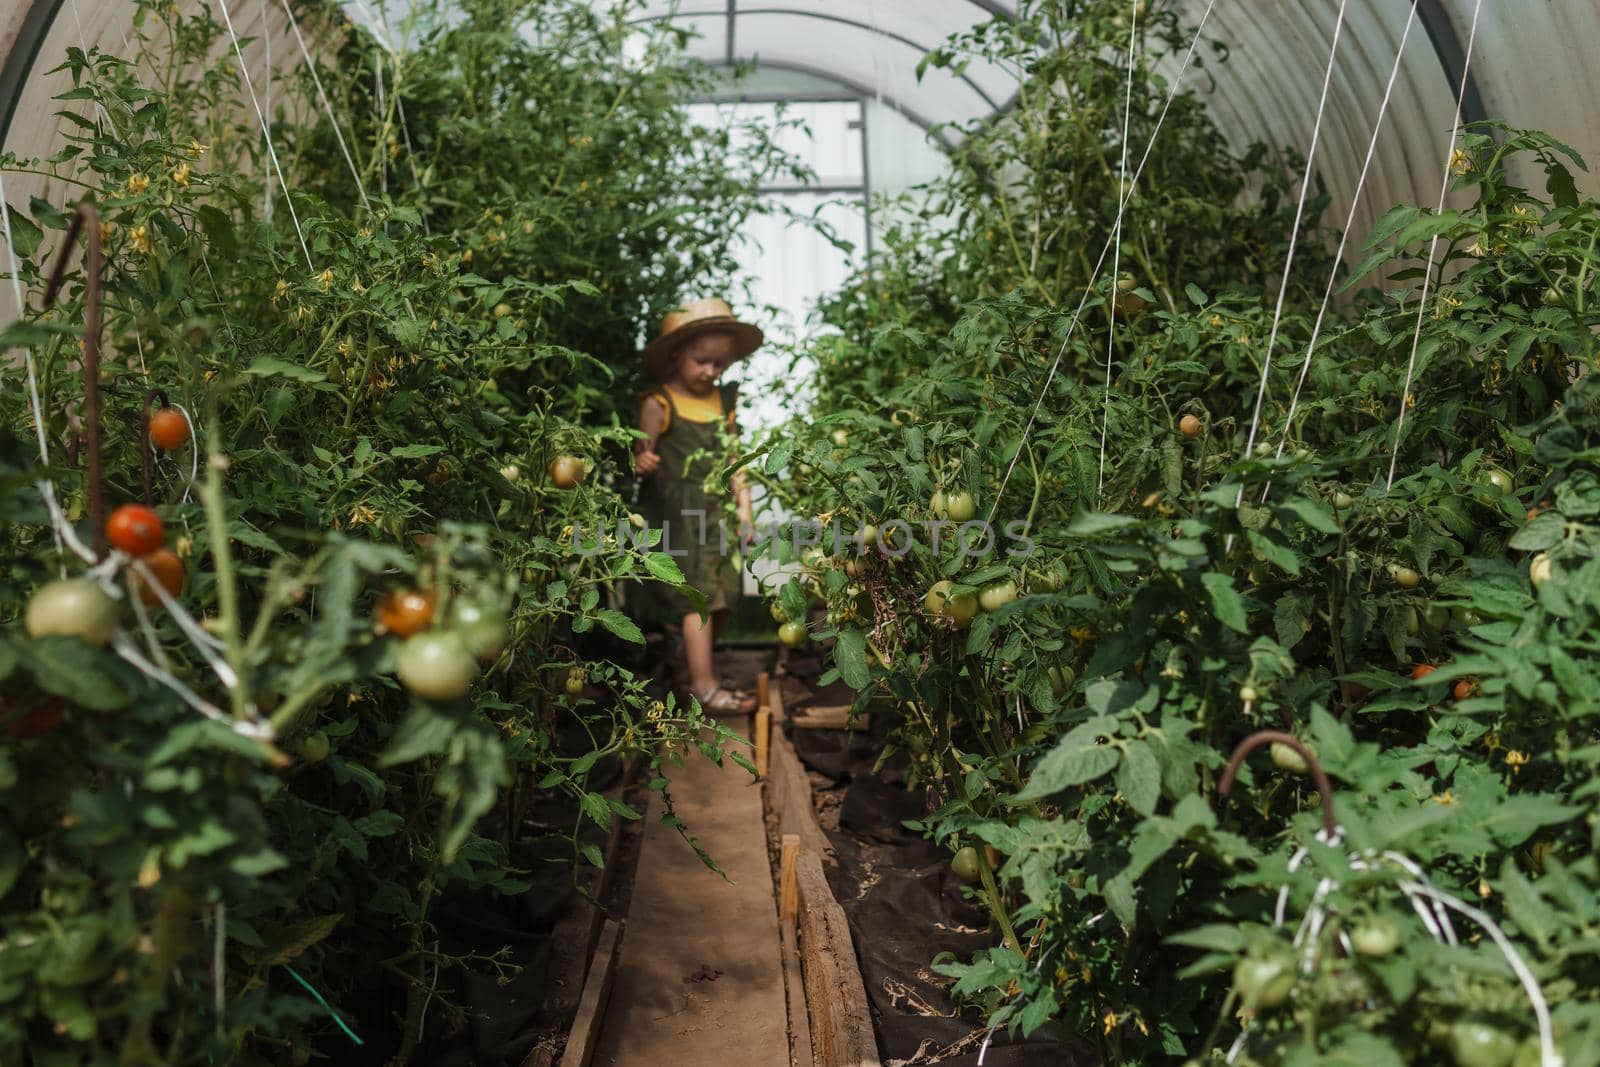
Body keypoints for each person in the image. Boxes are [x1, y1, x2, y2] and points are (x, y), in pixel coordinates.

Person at [634, 298, 761, 715]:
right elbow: (639, 456)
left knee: (721, 595)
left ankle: (691, 664)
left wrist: (745, 510)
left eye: (719, 365)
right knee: (696, 598)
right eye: (701, 361)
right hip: (676, 512)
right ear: (677, 355)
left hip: (716, 511)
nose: (710, 372)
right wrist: (640, 460)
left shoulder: (722, 403)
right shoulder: (659, 403)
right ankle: (704, 687)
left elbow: (733, 459)